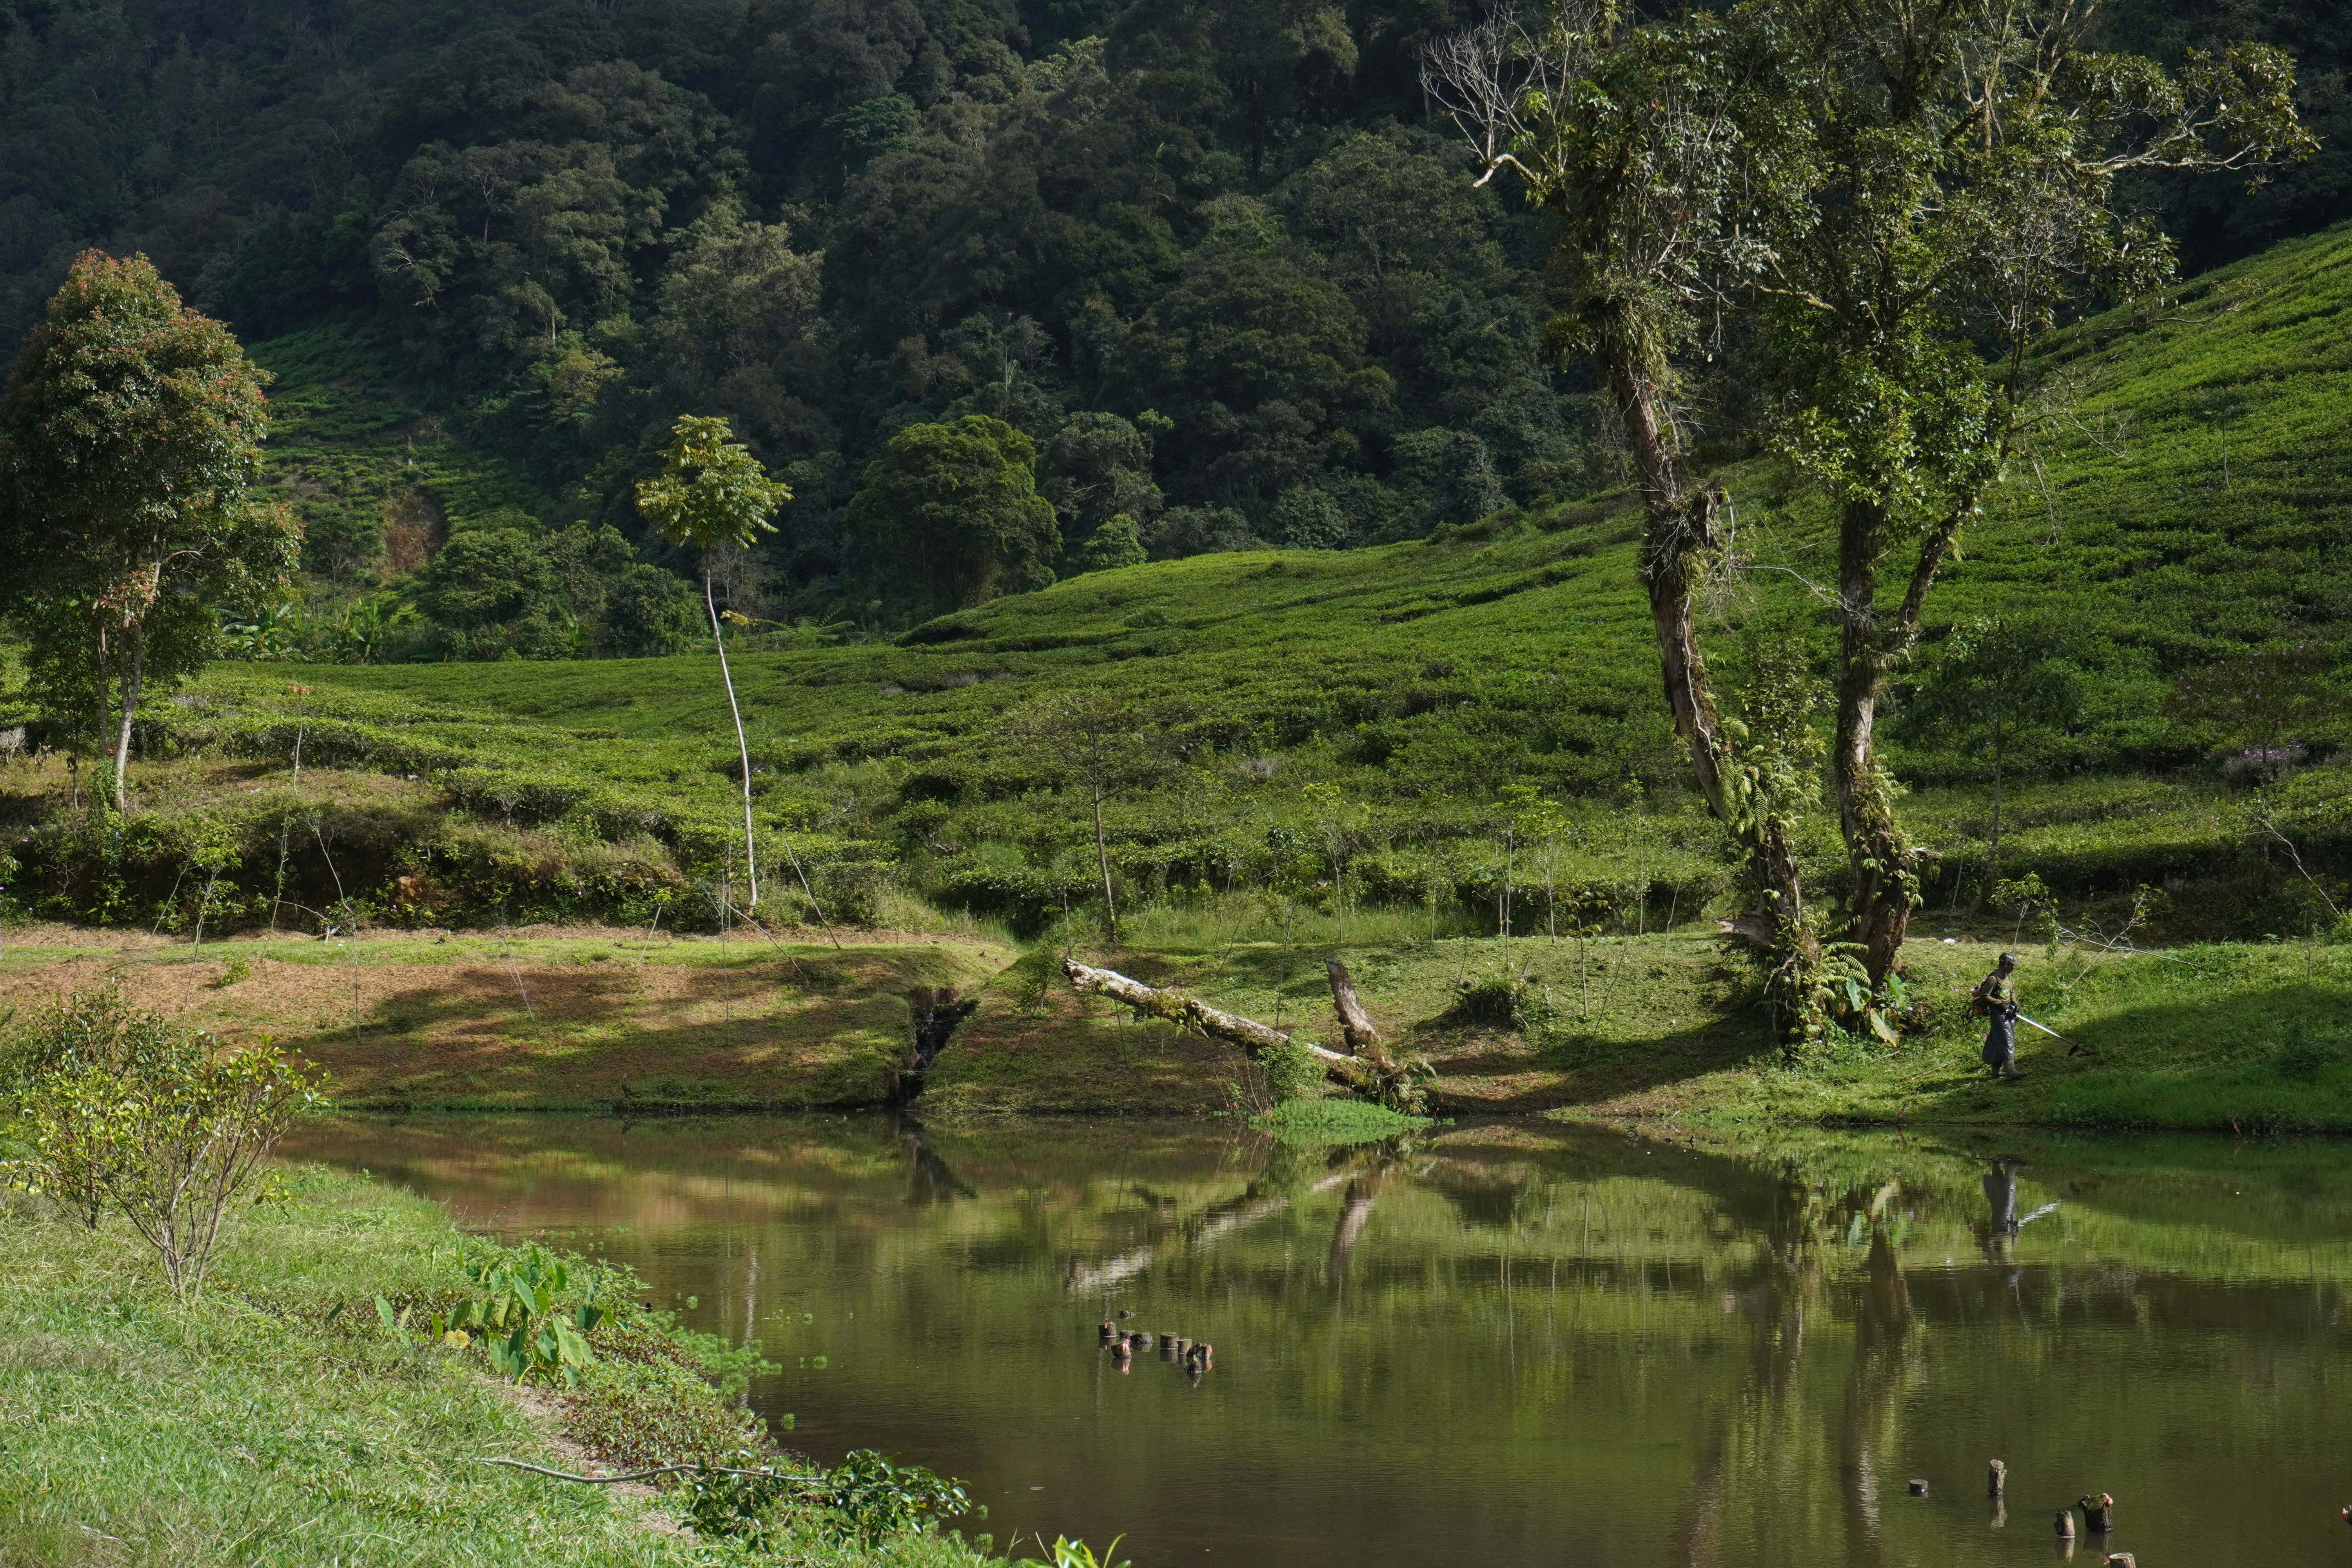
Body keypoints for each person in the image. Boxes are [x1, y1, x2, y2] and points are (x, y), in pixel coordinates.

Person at [1972, 953, 2022, 1079]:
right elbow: (1985, 996)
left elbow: (2011, 992)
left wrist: (2015, 1004)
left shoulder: (2008, 976)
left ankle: (1996, 1072)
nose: (2013, 968)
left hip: (2009, 1011)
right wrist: (2000, 1004)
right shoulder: (1993, 979)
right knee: (2007, 1040)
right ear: (2006, 965)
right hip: (1998, 1013)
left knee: (1998, 1041)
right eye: (2012, 965)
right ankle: (2011, 1072)